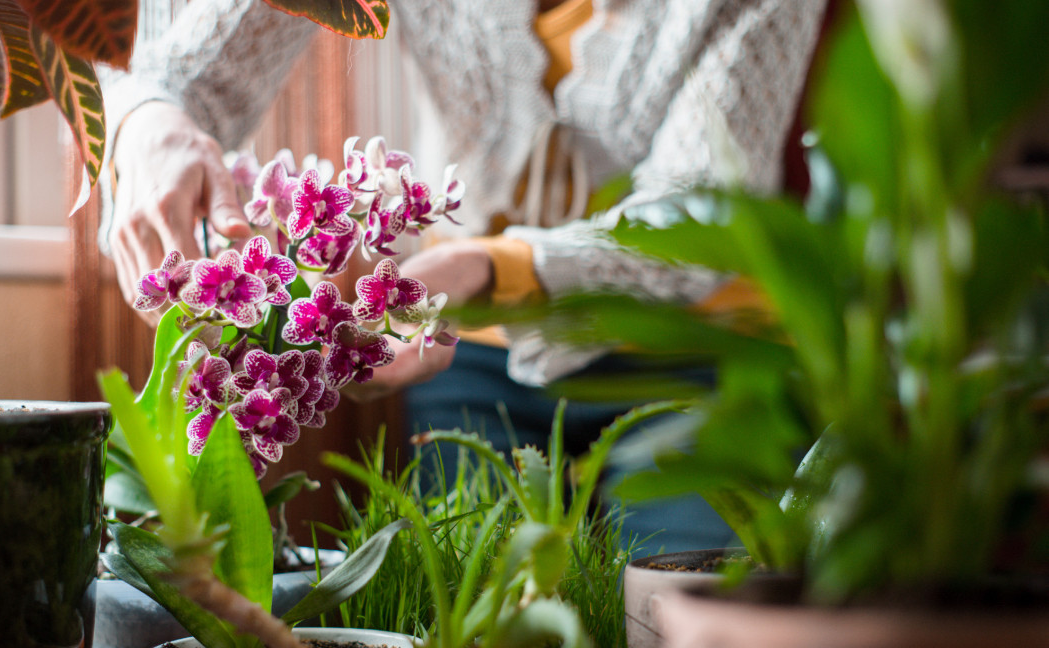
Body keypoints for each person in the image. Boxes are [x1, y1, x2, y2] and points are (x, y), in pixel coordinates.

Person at [100, 0, 828, 553]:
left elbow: (700, 214)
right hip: (473, 356)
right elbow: (188, 62)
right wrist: (149, 119)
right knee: (460, 607)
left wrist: (493, 266)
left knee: (688, 619)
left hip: (702, 351)